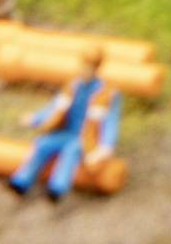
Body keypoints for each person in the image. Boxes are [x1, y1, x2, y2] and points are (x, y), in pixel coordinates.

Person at [12, 46, 122, 205]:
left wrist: (105, 148)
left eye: (88, 68)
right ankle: (22, 180)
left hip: (86, 137)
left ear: (96, 69)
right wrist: (36, 118)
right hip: (66, 131)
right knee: (43, 144)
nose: (83, 71)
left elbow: (110, 123)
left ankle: (57, 187)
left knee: (71, 151)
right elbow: (55, 107)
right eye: (82, 66)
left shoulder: (108, 93)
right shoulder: (72, 86)